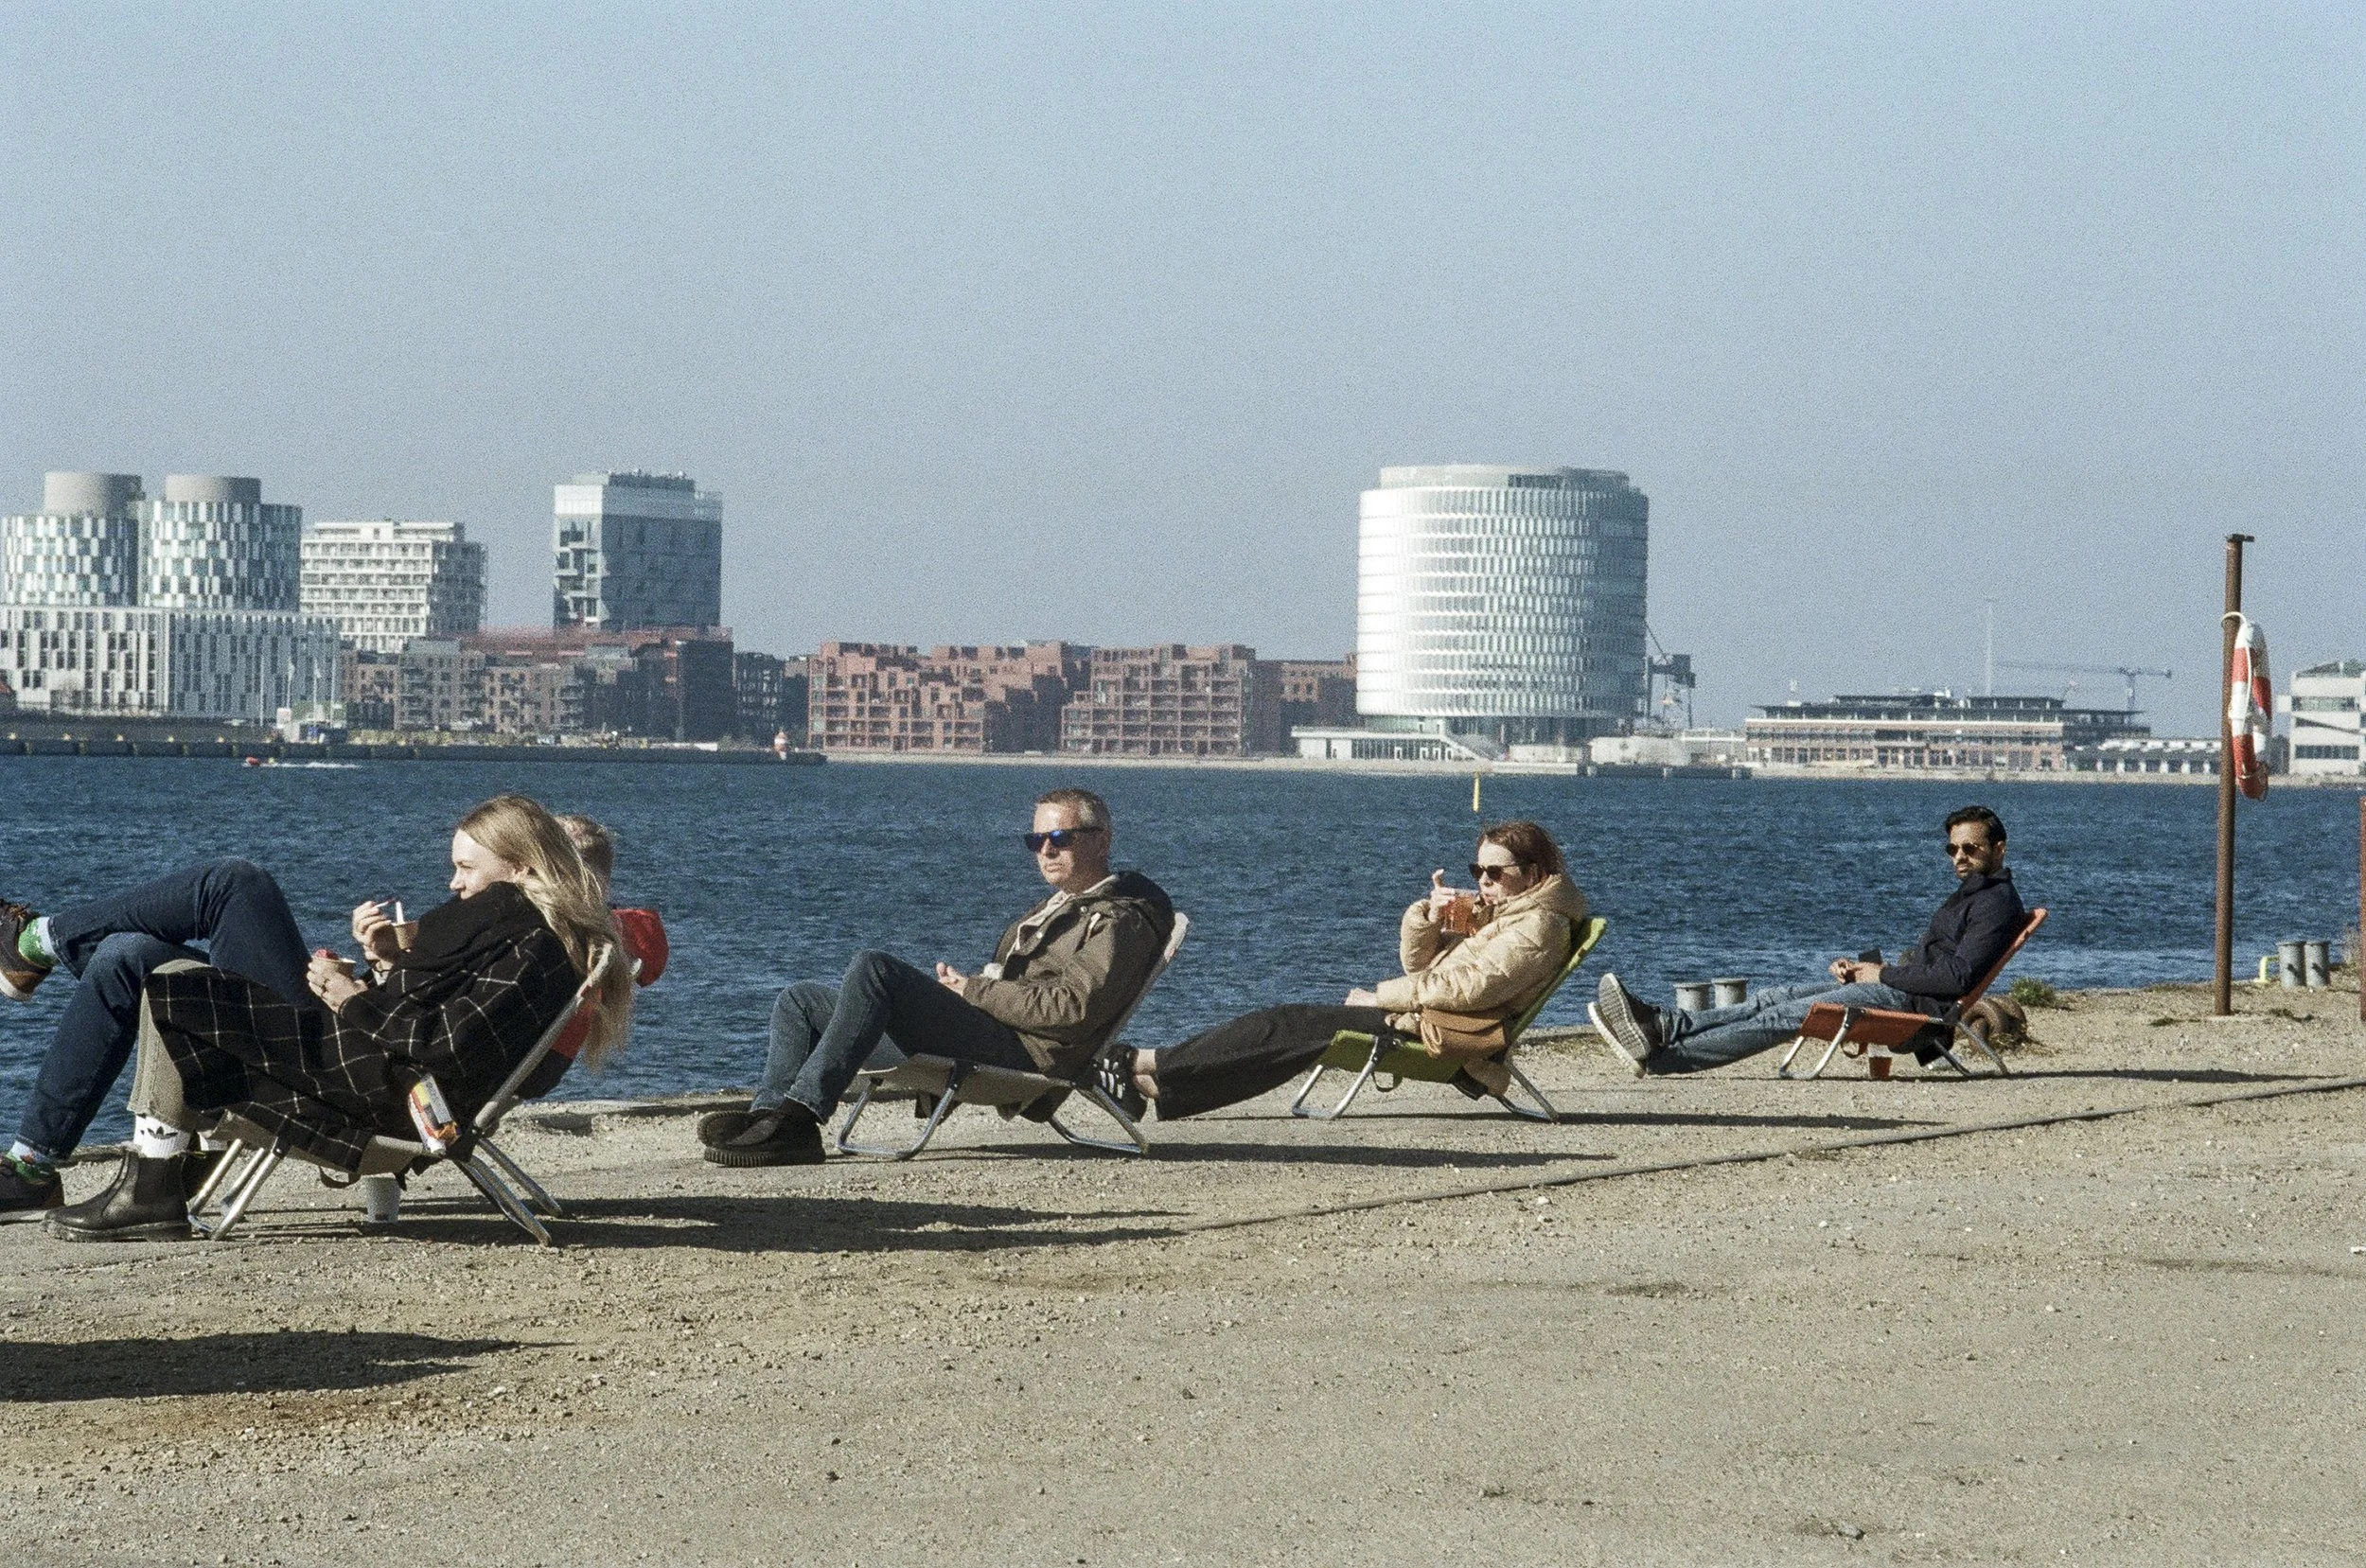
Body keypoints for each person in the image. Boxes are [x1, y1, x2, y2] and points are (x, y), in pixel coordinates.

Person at [1, 795, 631, 1241]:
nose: (454, 883)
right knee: (125, 955)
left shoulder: (533, 942)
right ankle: (35, 1165)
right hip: (362, 1060)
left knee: (231, 885)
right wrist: (376, 970)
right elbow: (442, 1017)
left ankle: (36, 942)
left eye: (466, 867)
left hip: (360, 1085)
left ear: (520, 866)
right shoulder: (512, 931)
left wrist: (348, 997)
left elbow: (443, 1044)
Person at [697, 786, 1174, 1167]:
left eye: (1061, 839)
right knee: (800, 1001)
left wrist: (974, 991)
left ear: (1103, 840)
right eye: (1036, 841)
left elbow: (1073, 1010)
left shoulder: (1119, 919)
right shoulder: (1058, 908)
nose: (1046, 851)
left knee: (875, 969)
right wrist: (965, 990)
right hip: (992, 1035)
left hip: (1027, 1057)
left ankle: (801, 1116)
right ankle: (771, 1118)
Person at [1104, 819, 1587, 1121]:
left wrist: (1380, 998)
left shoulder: (1536, 927)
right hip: (1426, 1020)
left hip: (1443, 1036)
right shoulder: (1510, 917)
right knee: (1291, 1039)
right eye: (1478, 870)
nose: (1483, 882)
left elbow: (1467, 991)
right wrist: (1428, 917)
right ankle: (1166, 1090)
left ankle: (1142, 1062)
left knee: (1285, 1025)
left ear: (1535, 873)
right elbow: (1420, 966)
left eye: (1495, 873)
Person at [1590, 804, 2024, 1076]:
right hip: (1901, 989)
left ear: (1999, 848)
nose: (1960, 858)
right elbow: (1938, 963)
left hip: (1916, 1010)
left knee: (1786, 1016)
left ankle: (1666, 1058)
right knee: (1772, 998)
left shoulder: (1994, 903)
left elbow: (1957, 977)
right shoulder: (1974, 896)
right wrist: (1864, 967)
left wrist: (1883, 973)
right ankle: (1666, 1026)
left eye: (1971, 849)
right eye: (1953, 850)